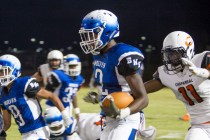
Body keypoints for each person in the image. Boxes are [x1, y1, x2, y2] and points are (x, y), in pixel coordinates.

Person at [79, 9, 148, 140]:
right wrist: (99, 97)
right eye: (86, 35)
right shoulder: (98, 55)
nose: (88, 39)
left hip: (127, 118)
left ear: (107, 31)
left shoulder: (122, 55)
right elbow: (114, 89)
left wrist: (123, 112)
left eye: (92, 34)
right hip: (109, 117)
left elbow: (143, 98)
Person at [144, 31, 210, 140]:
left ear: (188, 50)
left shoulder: (203, 59)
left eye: (176, 53)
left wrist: (202, 72)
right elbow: (145, 88)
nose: (172, 58)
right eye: (169, 54)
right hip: (200, 126)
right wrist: (130, 93)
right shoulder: (165, 73)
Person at [0, 54, 71, 140]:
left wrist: (65, 115)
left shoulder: (23, 83)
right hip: (25, 134)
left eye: (4, 71)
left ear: (15, 70)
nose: (1, 74)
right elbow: (7, 123)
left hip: (38, 131)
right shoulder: (2, 94)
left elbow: (51, 95)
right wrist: (1, 131)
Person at [45, 54, 84, 121]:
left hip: (67, 107)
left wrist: (76, 110)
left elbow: (73, 95)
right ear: (65, 65)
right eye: (71, 66)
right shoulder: (58, 75)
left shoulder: (79, 79)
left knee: (69, 128)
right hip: (53, 107)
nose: (74, 68)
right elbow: (47, 92)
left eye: (75, 66)